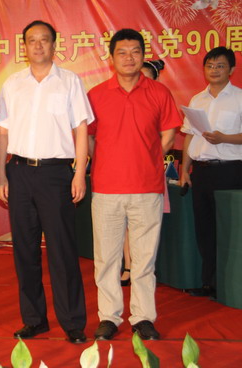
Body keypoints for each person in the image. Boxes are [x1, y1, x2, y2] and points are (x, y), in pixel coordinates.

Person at [0, 20, 93, 344]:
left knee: (62, 250)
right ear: (24, 46)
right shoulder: (13, 83)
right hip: (19, 172)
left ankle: (72, 322)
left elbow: (81, 128)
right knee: (24, 250)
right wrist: (0, 174)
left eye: (44, 40)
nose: (38, 45)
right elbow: (3, 132)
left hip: (56, 174)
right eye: (31, 40)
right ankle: (34, 320)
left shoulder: (69, 81)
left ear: (54, 45)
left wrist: (79, 172)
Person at [88, 29, 182, 341]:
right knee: (107, 259)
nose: (129, 58)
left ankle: (143, 317)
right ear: (111, 58)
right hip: (106, 189)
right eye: (122, 52)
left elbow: (169, 133)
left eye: (135, 52)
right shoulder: (97, 95)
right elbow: (89, 137)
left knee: (144, 259)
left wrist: (150, 158)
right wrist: (105, 161)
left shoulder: (159, 93)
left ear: (143, 55)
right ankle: (109, 317)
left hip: (147, 187)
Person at [180, 47, 242, 299]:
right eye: (210, 66)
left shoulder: (239, 98)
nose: (214, 70)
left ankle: (229, 285)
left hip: (230, 172)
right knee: (205, 229)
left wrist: (224, 138)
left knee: (228, 230)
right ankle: (209, 284)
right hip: (201, 172)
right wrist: (185, 170)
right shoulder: (197, 100)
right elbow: (189, 137)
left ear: (231, 70)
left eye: (220, 66)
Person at [121, 59, 166, 287]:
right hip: (124, 172)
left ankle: (145, 270)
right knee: (126, 224)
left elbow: (166, 136)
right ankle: (128, 266)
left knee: (146, 226)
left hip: (149, 174)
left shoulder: (159, 102)